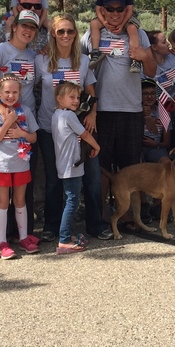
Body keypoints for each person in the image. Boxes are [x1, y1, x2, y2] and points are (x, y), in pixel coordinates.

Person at [34, 13, 110, 241]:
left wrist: (94, 114)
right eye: (60, 31)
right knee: (55, 178)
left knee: (92, 177)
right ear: (53, 34)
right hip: (50, 129)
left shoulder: (84, 61)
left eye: (70, 31)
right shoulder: (41, 60)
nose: (65, 35)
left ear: (76, 33)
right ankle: (53, 226)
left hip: (82, 126)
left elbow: (91, 92)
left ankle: (95, 224)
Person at [80, 0, 156, 202]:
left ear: (126, 11)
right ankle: (101, 215)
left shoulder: (138, 34)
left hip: (131, 110)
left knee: (130, 167)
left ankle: (129, 217)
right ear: (102, 10)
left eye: (119, 9)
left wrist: (144, 57)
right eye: (110, 9)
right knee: (101, 166)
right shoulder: (93, 34)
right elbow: (73, 59)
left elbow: (151, 71)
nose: (114, 13)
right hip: (101, 111)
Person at [0, 9, 40, 241]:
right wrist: (3, 112)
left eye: (33, 28)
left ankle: (22, 234)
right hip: (2, 126)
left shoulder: (34, 56)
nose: (27, 31)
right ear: (14, 27)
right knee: (1, 187)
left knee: (25, 184)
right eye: (24, 25)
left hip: (25, 126)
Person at [0, 74, 39, 259]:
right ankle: (2, 242)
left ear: (20, 93)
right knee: (1, 201)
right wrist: (7, 122)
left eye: (15, 92)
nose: (10, 95)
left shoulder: (25, 110)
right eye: (6, 92)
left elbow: (33, 137)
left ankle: (23, 237)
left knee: (20, 200)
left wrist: (21, 133)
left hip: (21, 163)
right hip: (2, 165)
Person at [52, 81, 101, 254]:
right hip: (71, 165)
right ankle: (64, 240)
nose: (76, 101)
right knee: (73, 201)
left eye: (78, 97)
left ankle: (66, 233)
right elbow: (85, 134)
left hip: (63, 164)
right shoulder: (69, 116)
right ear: (59, 99)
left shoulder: (57, 115)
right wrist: (97, 147)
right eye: (71, 97)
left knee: (69, 199)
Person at [90, 0, 141, 73]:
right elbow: (98, 9)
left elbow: (129, 9)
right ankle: (95, 52)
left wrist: (122, 25)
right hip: (105, 16)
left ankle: (135, 59)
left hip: (126, 16)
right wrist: (104, 22)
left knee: (132, 28)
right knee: (94, 24)